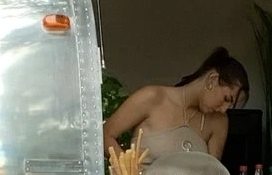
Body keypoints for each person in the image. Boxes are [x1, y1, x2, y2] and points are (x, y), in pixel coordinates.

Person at [105, 48, 248, 160]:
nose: (224, 109)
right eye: (226, 99)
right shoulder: (152, 97)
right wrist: (130, 173)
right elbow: (105, 135)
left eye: (230, 106)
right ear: (212, 80)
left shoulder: (218, 121)